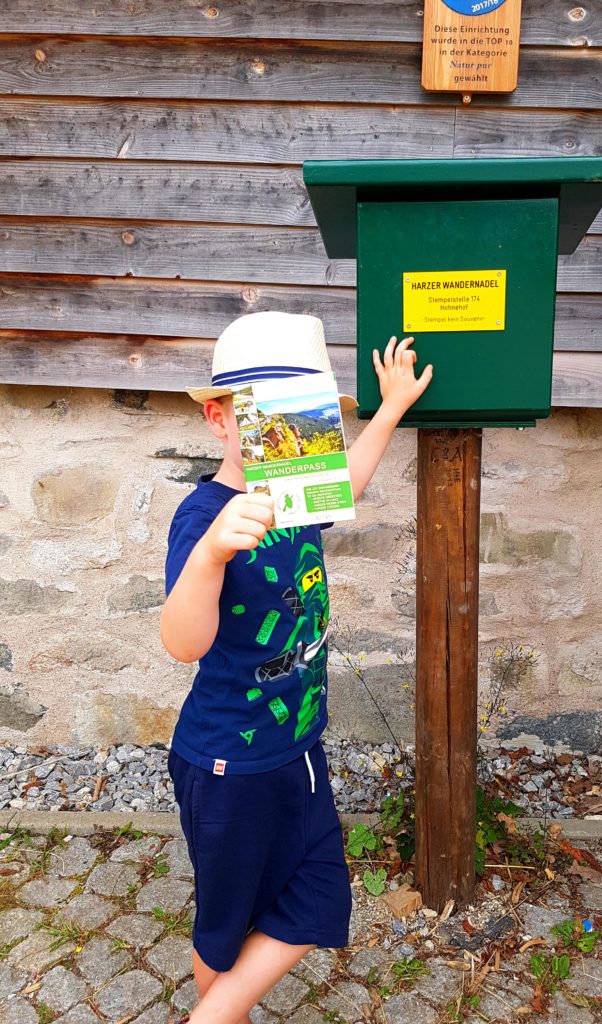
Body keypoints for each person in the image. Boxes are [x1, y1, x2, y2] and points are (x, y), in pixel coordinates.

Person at [160, 311, 432, 1024]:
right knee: (223, 931)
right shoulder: (204, 517)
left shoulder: (294, 491)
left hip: (295, 748)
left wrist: (393, 406)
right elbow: (183, 642)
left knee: (317, 890)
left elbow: (351, 479)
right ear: (219, 419)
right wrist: (212, 555)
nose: (292, 442)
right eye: (268, 420)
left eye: (306, 424)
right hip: (228, 766)